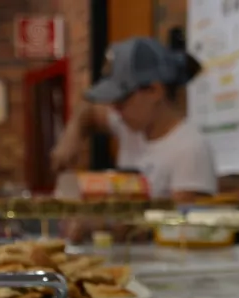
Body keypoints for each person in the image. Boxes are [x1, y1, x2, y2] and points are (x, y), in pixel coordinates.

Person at [51, 34, 216, 203]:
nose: (115, 109)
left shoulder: (190, 150)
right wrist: (71, 137)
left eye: (121, 100)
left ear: (154, 91)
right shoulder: (128, 126)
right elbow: (87, 111)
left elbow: (182, 218)